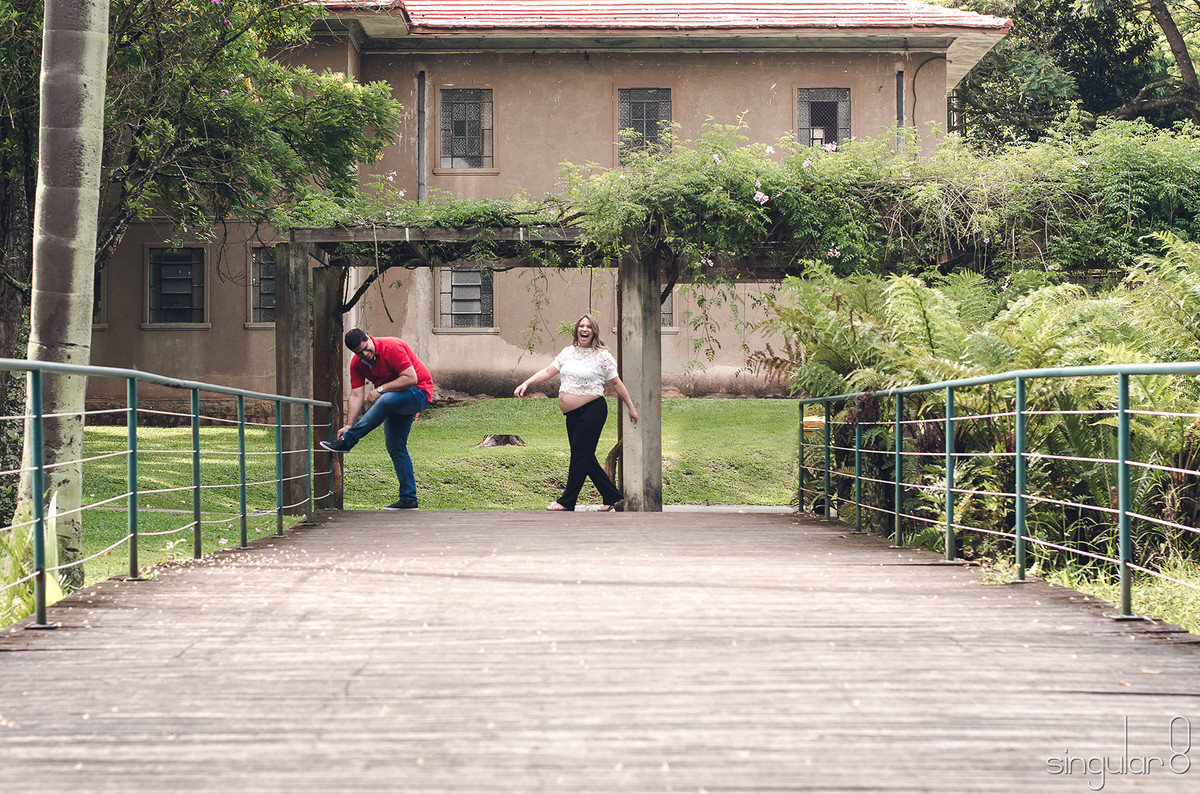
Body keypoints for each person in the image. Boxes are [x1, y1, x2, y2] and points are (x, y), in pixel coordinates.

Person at [514, 314, 638, 511]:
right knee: (584, 456)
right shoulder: (568, 353)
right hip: (572, 415)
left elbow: (616, 383)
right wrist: (526, 383)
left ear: (594, 331)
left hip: (593, 410)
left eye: (589, 326)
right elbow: (548, 372)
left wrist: (631, 407)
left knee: (580, 455)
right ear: (577, 330)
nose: (585, 329)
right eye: (581, 326)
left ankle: (567, 501)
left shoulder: (602, 356)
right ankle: (611, 496)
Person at [320, 328, 434, 511]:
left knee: (385, 399)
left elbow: (411, 378)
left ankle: (348, 442)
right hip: (395, 401)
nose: (365, 354)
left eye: (366, 348)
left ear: (368, 337)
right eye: (359, 353)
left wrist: (381, 390)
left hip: (418, 393)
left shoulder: (392, 346)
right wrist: (349, 424)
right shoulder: (358, 363)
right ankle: (409, 499)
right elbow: (357, 395)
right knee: (395, 447)